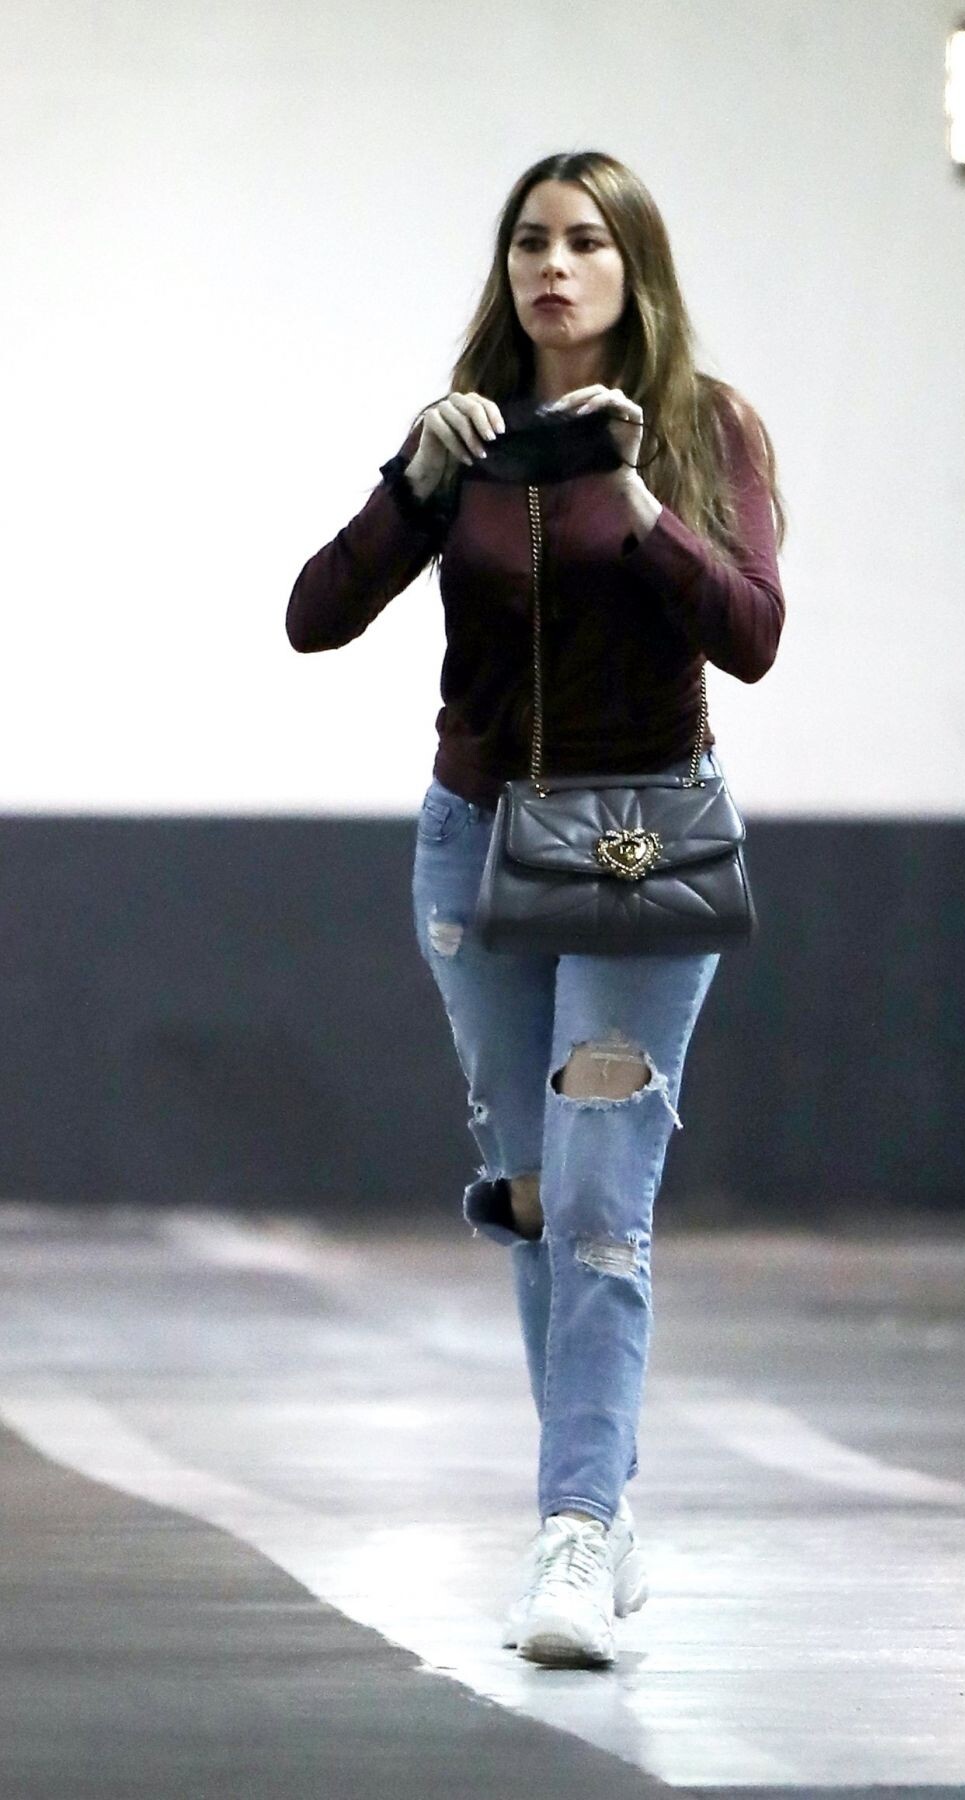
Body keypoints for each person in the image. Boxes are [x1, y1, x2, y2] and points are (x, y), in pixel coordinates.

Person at [285, 149, 787, 1668]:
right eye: (528, 243)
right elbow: (313, 617)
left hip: (641, 854)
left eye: (583, 242)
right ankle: (600, 1507)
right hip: (480, 849)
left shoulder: (702, 428)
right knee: (528, 1195)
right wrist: (413, 486)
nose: (551, 268)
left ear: (635, 267)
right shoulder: (473, 438)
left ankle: (571, 1531)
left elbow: (752, 633)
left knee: (599, 1197)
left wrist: (635, 494)